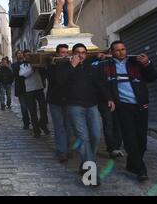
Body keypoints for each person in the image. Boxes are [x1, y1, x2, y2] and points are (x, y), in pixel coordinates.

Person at [99, 41, 157, 182]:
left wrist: (147, 63)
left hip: (141, 106)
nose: (121, 52)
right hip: (123, 107)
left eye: (123, 49)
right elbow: (100, 84)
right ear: (111, 52)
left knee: (142, 141)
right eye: (117, 50)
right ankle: (141, 170)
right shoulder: (105, 66)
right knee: (130, 139)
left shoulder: (136, 62)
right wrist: (109, 99)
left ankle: (132, 164)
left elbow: (152, 77)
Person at [56, 43, 101, 186]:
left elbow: (99, 83)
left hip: (91, 105)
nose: (80, 55)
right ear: (72, 53)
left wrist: (109, 99)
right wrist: (72, 66)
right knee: (83, 138)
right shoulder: (64, 66)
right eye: (77, 52)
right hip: (74, 106)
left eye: (83, 52)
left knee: (95, 136)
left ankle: (84, 163)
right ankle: (91, 174)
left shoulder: (90, 66)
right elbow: (60, 82)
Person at [91, 51, 124, 159]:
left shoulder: (115, 64)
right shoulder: (96, 64)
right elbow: (97, 81)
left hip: (118, 98)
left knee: (118, 124)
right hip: (103, 100)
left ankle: (117, 147)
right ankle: (112, 148)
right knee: (108, 123)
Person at [47, 44, 74, 163]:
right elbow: (56, 80)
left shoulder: (71, 65)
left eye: (66, 52)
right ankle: (62, 151)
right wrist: (54, 65)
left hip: (69, 99)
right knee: (59, 126)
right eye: (62, 52)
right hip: (55, 100)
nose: (65, 55)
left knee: (68, 126)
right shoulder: (51, 67)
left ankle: (67, 148)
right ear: (57, 54)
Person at [19, 50, 49, 138]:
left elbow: (45, 74)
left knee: (43, 109)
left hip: (39, 89)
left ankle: (42, 124)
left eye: (30, 55)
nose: (29, 57)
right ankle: (36, 130)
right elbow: (23, 75)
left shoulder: (39, 64)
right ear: (24, 57)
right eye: (27, 56)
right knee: (33, 112)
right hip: (29, 91)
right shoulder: (23, 65)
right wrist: (32, 68)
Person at [12, 50, 30, 129]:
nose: (20, 54)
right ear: (16, 56)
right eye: (18, 53)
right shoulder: (14, 65)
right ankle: (26, 122)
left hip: (29, 87)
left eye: (21, 53)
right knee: (23, 107)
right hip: (20, 88)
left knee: (31, 106)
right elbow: (16, 73)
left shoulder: (27, 63)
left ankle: (32, 121)